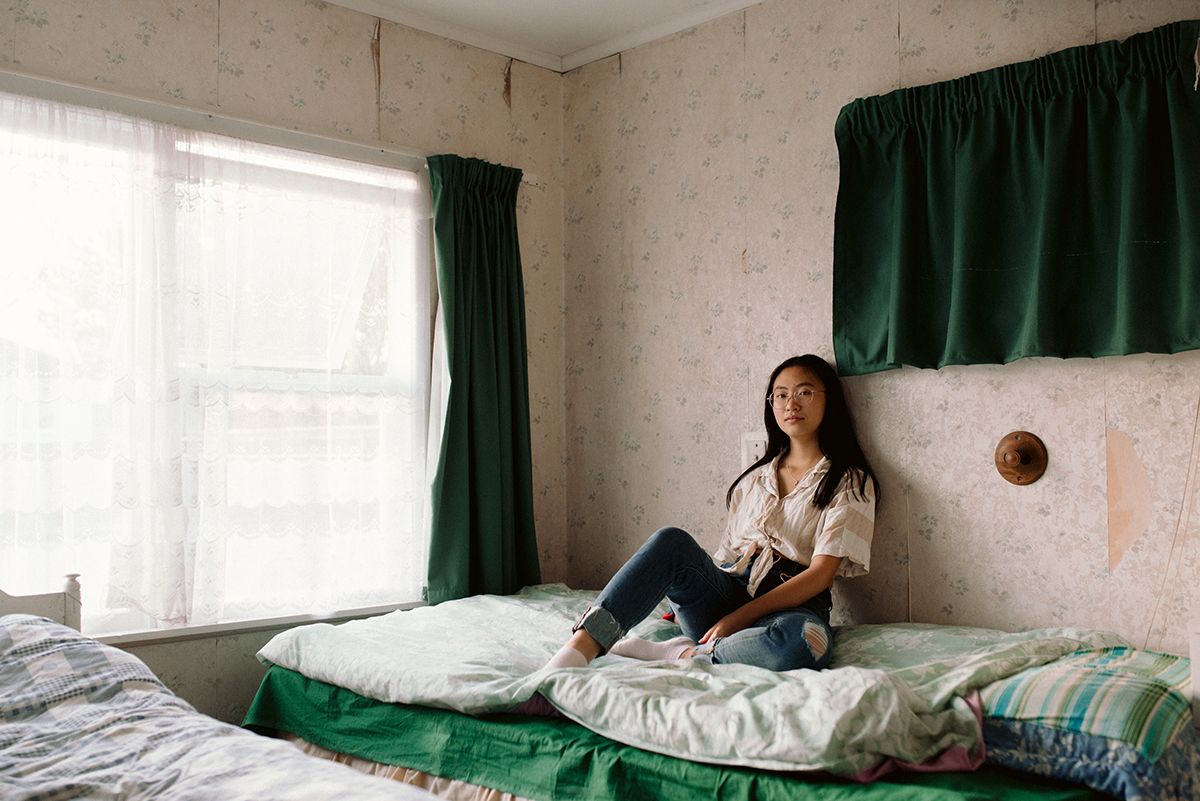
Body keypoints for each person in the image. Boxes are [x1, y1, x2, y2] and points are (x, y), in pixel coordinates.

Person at [547, 354, 879, 671]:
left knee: (808, 642)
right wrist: (688, 601)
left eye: (804, 392)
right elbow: (727, 558)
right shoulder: (753, 481)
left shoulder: (849, 481)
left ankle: (685, 653)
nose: (790, 403)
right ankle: (580, 649)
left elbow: (821, 574)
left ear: (828, 399)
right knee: (671, 542)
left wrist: (740, 618)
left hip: (792, 609)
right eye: (780, 395)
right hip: (727, 595)